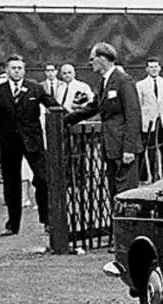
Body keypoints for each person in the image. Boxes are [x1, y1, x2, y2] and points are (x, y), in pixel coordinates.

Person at [0, 54, 59, 236]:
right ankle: (13, 224)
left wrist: (67, 117)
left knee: (42, 179)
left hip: (33, 142)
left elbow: (53, 106)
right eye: (13, 68)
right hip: (9, 143)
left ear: (24, 70)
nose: (17, 71)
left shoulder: (35, 88)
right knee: (11, 184)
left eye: (20, 68)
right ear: (7, 70)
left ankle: (46, 220)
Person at [64, 42, 143, 199]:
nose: (90, 63)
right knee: (114, 192)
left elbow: (133, 115)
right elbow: (93, 107)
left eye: (92, 59)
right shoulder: (104, 82)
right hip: (111, 147)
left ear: (102, 59)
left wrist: (129, 149)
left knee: (126, 195)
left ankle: (126, 224)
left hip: (123, 148)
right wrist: (66, 119)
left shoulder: (123, 80)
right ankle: (115, 224)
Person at [136, 57, 163, 183]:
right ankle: (153, 176)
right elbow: (139, 103)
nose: (154, 69)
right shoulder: (141, 84)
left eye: (156, 67)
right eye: (151, 67)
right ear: (147, 69)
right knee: (151, 149)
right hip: (149, 122)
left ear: (160, 68)